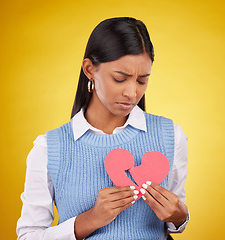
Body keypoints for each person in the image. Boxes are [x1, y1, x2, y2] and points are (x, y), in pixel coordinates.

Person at [16, 17, 190, 240]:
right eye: (120, 79)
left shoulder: (171, 136)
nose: (132, 93)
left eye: (142, 81)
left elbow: (176, 220)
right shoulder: (49, 148)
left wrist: (179, 216)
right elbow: (28, 236)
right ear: (89, 69)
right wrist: (89, 220)